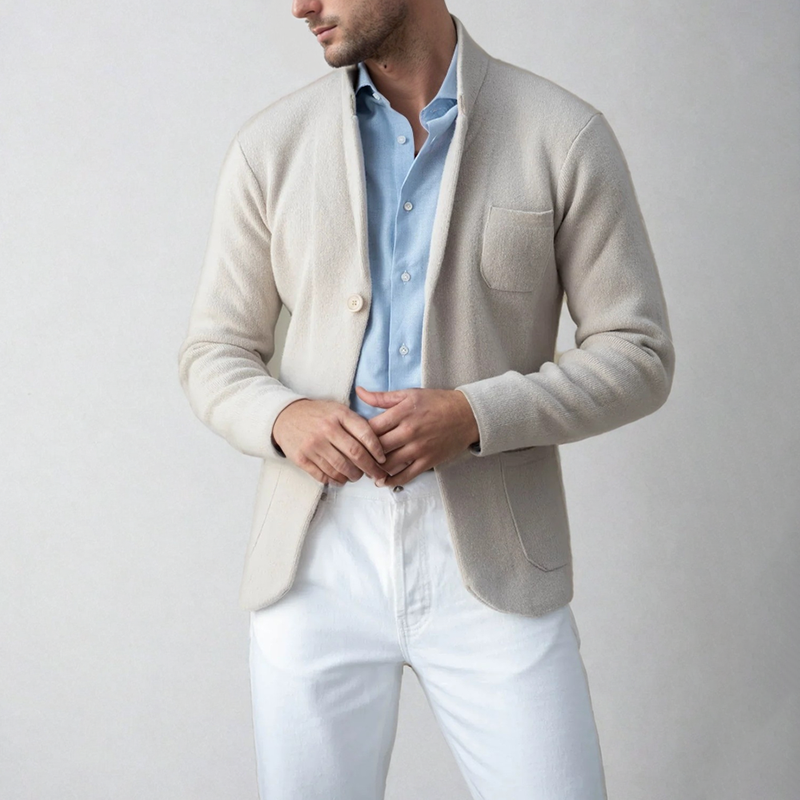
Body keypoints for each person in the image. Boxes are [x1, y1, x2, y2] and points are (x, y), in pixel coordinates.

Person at [178, 1, 675, 797]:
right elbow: (214, 353)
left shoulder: (561, 134)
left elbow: (638, 352)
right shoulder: (271, 147)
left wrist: (478, 415)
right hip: (313, 561)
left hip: (495, 558)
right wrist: (284, 417)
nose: (301, 5)